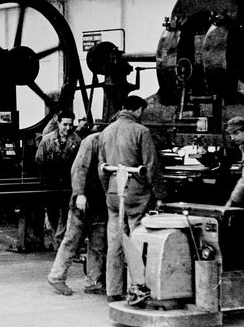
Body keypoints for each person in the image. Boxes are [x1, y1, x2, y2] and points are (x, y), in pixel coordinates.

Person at [98, 95, 167, 302]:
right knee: (136, 240)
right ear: (138, 111)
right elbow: (151, 166)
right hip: (135, 194)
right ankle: (136, 289)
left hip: (113, 192)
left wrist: (108, 189)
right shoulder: (141, 131)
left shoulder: (106, 131)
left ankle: (113, 290)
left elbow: (101, 168)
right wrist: (160, 195)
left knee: (115, 241)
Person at [47, 122, 107, 296]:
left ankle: (93, 282)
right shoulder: (92, 141)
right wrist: (79, 193)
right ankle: (56, 277)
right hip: (85, 201)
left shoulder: (111, 141)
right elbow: (79, 169)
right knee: (72, 240)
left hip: (101, 203)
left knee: (98, 244)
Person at [35, 110, 81, 250]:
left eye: (70, 125)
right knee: (52, 212)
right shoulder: (47, 140)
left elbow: (79, 163)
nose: (68, 128)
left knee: (65, 211)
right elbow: (39, 160)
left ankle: (60, 241)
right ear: (58, 123)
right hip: (51, 182)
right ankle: (57, 238)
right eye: (65, 124)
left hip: (68, 183)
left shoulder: (77, 140)